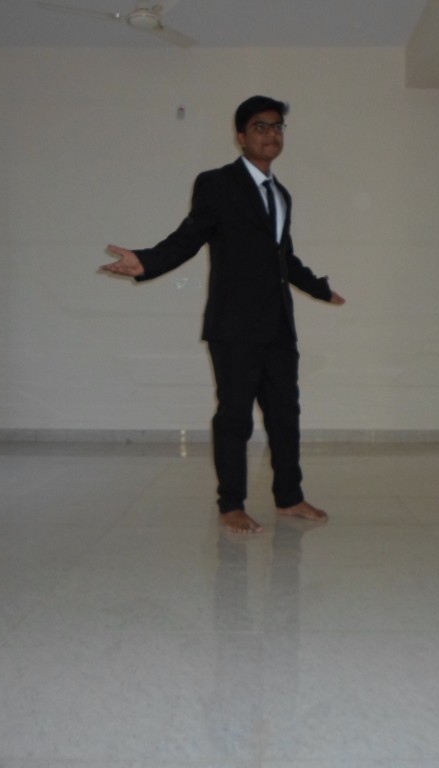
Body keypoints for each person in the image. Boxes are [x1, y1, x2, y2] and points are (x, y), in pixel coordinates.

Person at [100, 95, 345, 535]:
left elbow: (283, 258)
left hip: (279, 325)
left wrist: (319, 288)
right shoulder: (217, 183)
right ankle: (231, 504)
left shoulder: (281, 194)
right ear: (240, 137)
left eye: (277, 126)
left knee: (285, 414)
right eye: (260, 126)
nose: (271, 134)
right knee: (234, 417)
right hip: (234, 325)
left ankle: (289, 497)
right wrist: (147, 261)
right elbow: (189, 237)